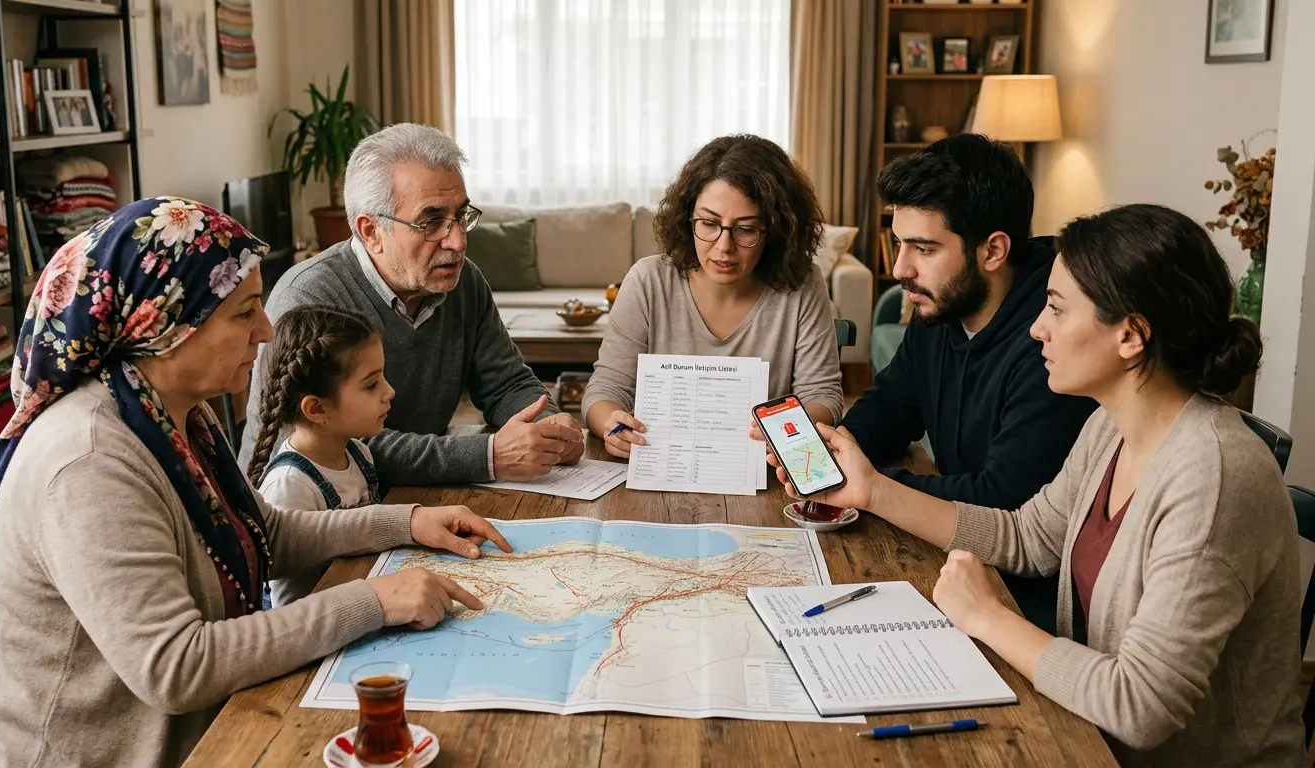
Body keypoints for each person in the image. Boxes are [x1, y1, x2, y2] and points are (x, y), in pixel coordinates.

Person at [0, 197, 513, 768]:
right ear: (167, 325)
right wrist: (373, 600)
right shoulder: (90, 462)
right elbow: (178, 667)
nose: (266, 330)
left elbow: (262, 531)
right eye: (245, 312)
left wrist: (408, 521)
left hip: (203, 730)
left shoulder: (169, 412)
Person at [775, 204, 1305, 767]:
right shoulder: (1111, 426)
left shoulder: (1213, 478)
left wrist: (987, 616)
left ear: (1130, 335)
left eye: (1055, 308)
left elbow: (1140, 707)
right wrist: (873, 491)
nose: (1036, 328)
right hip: (1086, 730)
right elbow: (1028, 538)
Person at [842, 133, 1097, 632]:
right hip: (959, 557)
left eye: (924, 248)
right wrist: (835, 451)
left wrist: (873, 486)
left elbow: (1004, 499)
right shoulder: (942, 304)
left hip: (1028, 598)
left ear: (993, 250)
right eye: (899, 243)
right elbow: (893, 403)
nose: (900, 268)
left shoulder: (1053, 343)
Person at [239, 123, 583, 485]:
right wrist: (487, 456)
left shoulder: (464, 281)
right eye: (431, 222)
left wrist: (549, 428)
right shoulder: (308, 298)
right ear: (371, 231)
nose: (458, 241)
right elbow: (330, 448)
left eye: (461, 216)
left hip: (416, 493)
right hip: (312, 505)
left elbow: (506, 383)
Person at [584, 134, 844, 457]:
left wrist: (786, 431)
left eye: (745, 229)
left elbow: (823, 396)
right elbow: (606, 389)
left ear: (775, 232)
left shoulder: (803, 285)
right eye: (708, 223)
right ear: (687, 219)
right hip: (661, 464)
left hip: (767, 471)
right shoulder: (648, 280)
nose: (723, 247)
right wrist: (612, 424)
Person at [247, 305, 395, 607]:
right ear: (317, 409)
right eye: (371, 385)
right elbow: (287, 606)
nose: (389, 391)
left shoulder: (359, 453)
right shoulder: (290, 486)